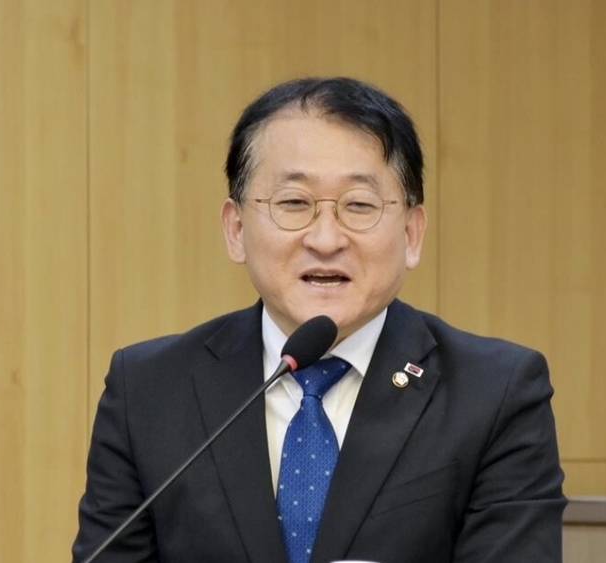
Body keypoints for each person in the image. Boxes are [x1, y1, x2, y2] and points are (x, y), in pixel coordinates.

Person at [72, 77, 566, 563]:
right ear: (236, 228)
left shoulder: (494, 394)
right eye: (294, 203)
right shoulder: (149, 391)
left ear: (412, 234)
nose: (326, 239)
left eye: (359, 205)